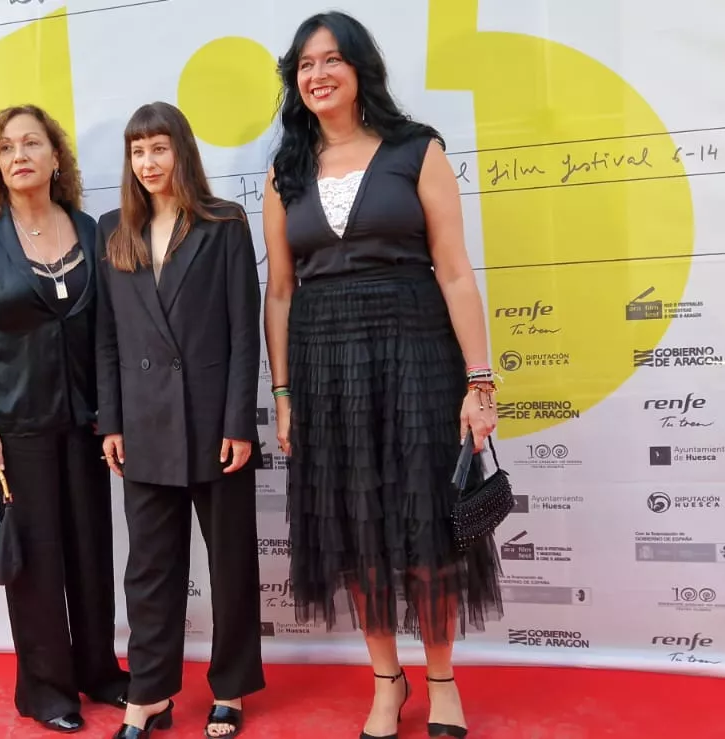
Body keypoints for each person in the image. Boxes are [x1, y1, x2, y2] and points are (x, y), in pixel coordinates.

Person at [261, 12, 504, 739]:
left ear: (361, 67)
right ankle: (386, 681)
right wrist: (282, 393)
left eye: (333, 60)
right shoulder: (286, 170)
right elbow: (279, 289)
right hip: (324, 363)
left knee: (428, 526)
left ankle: (441, 678)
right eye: (305, 65)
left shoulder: (414, 149)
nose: (318, 74)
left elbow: (455, 271)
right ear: (294, 80)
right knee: (358, 529)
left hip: (416, 352)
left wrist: (479, 379)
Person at [0, 105, 130, 733]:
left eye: (32, 143)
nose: (18, 154)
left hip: (85, 424)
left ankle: (99, 672)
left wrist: (112, 416)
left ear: (56, 157)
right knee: (37, 563)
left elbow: (106, 332)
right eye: (5, 148)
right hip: (15, 427)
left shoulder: (89, 228)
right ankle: (46, 689)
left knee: (90, 554)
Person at [94, 102, 265, 739]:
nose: (149, 163)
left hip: (215, 424)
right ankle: (150, 694)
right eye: (138, 152)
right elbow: (106, 339)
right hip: (143, 424)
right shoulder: (114, 230)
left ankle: (233, 689)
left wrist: (239, 424)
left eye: (159, 149)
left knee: (230, 564)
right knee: (149, 569)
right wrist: (111, 420)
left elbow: (243, 331)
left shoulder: (224, 224)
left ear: (182, 152)